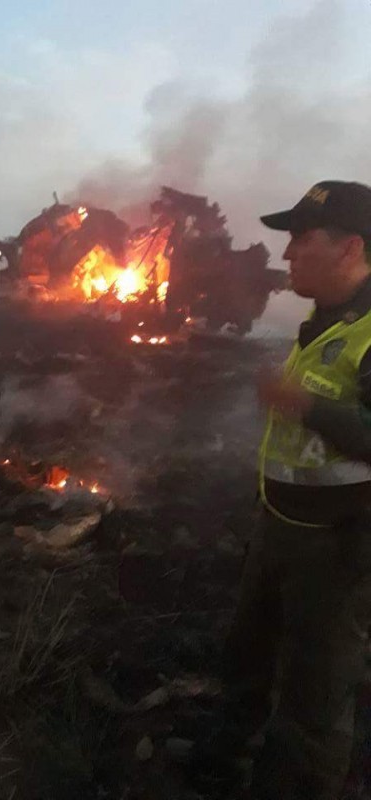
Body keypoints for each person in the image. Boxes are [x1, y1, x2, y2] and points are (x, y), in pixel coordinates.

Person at [189, 181, 371, 800]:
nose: (287, 253)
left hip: (339, 549)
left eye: (301, 238)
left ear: (350, 247)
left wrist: (306, 405)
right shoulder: (321, 323)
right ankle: (225, 759)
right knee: (246, 657)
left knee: (315, 695)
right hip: (277, 527)